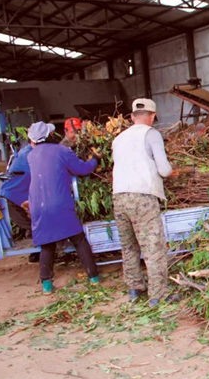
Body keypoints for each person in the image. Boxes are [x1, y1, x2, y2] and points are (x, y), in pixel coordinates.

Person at [111, 98, 174, 306]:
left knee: (129, 245)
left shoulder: (118, 139)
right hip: (142, 197)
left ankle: (134, 289)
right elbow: (164, 170)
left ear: (131, 117)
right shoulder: (152, 134)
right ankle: (158, 295)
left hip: (119, 196)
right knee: (152, 245)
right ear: (153, 116)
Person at [25, 121, 100, 294]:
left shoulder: (31, 156)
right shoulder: (62, 151)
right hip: (59, 203)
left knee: (47, 244)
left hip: (38, 205)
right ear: (50, 135)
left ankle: (46, 285)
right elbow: (82, 169)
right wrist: (95, 159)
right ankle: (94, 278)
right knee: (78, 239)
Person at [0, 143, 38, 262]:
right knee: (33, 225)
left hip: (18, 195)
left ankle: (38, 253)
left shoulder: (28, 152)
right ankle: (40, 252)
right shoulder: (28, 155)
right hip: (12, 197)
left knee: (33, 223)